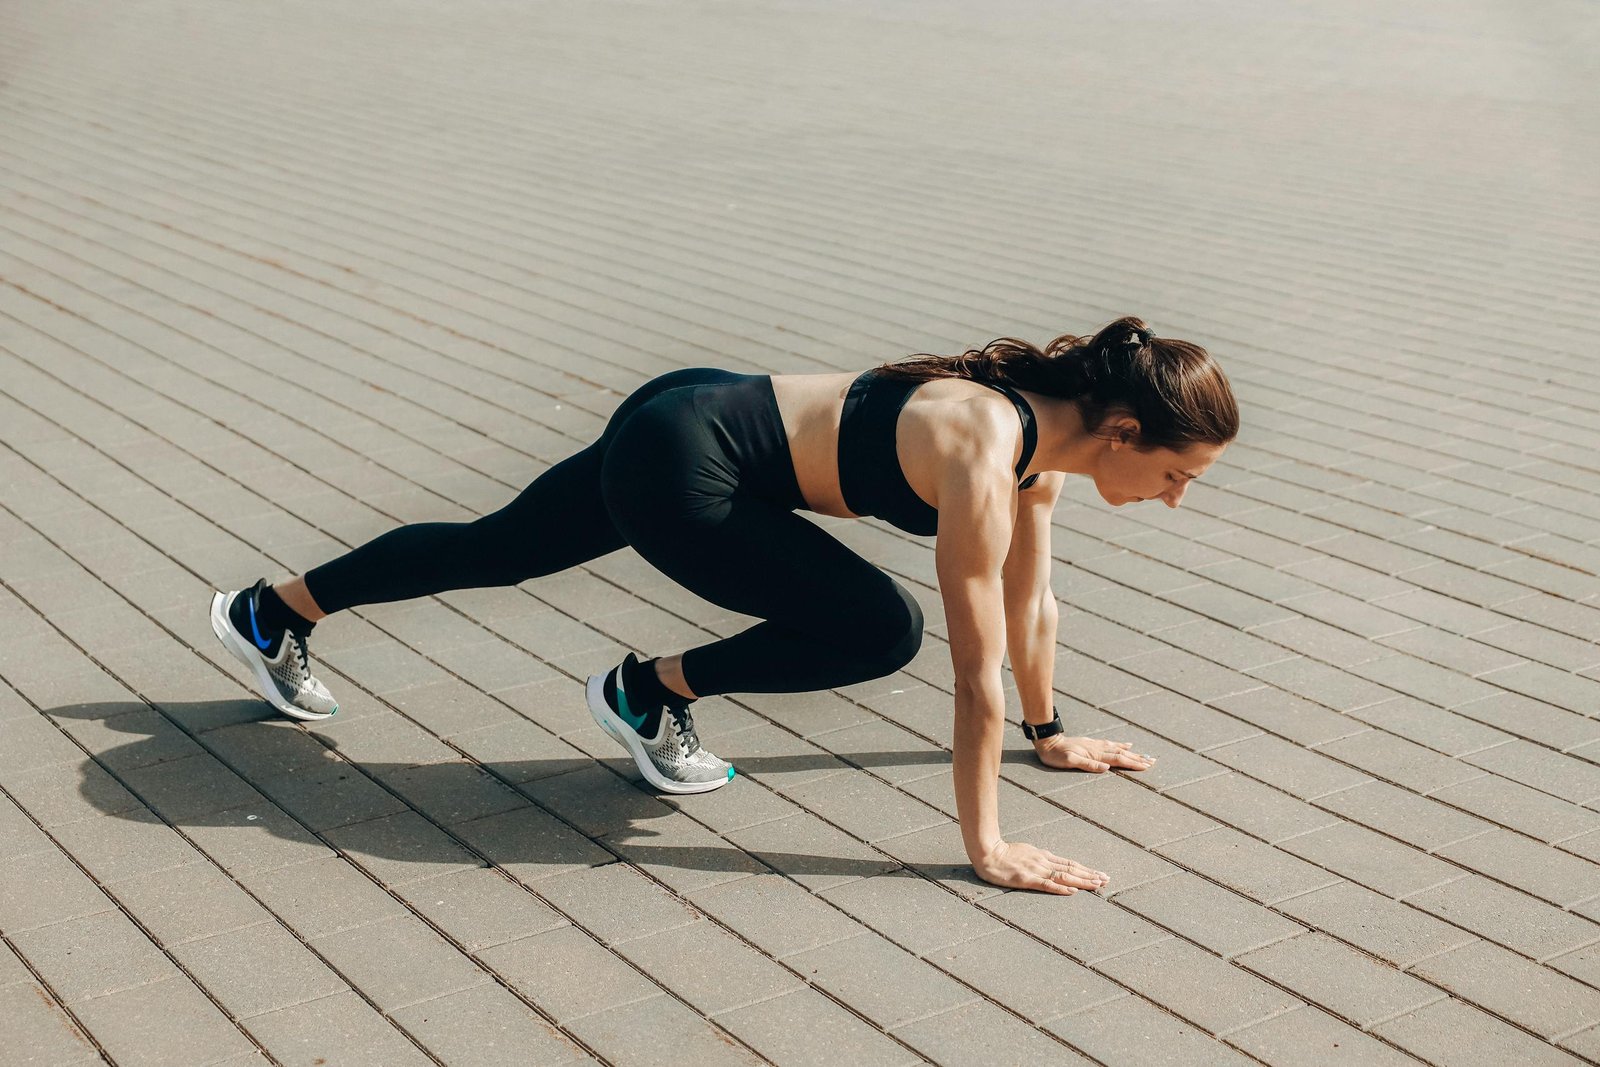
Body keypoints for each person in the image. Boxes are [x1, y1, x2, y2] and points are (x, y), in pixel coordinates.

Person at [209, 315, 1238, 895]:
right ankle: (647, 690)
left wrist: (1051, 731)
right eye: (1178, 472)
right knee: (884, 631)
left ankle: (276, 609)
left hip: (691, 401)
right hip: (688, 463)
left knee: (502, 548)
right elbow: (972, 668)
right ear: (1121, 429)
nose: (1176, 496)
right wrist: (987, 845)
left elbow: (1033, 600)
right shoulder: (985, 451)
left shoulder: (1041, 446)